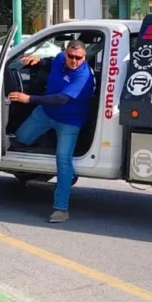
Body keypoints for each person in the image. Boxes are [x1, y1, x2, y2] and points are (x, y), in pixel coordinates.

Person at [8, 40, 94, 224]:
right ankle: (35, 174)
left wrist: (29, 98)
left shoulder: (83, 75)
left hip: (69, 122)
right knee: (19, 140)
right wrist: (37, 60)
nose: (74, 61)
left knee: (63, 160)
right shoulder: (60, 58)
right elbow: (50, 61)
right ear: (66, 53)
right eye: (71, 56)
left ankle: (61, 208)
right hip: (45, 114)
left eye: (79, 58)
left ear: (84, 57)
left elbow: (61, 99)